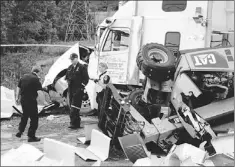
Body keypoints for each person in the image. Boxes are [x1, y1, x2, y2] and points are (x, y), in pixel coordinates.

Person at [15, 65, 44, 142]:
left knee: (25, 115)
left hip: (23, 100)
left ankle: (20, 131)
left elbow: (18, 88)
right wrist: (44, 102)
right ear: (38, 72)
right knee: (34, 119)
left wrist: (17, 97)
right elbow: (40, 92)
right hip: (31, 101)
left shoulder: (23, 77)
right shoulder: (36, 79)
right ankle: (31, 136)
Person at [65, 53, 89, 129]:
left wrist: (81, 87)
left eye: (72, 59)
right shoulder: (69, 67)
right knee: (72, 107)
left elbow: (86, 79)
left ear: (76, 58)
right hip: (71, 90)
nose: (71, 61)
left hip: (78, 90)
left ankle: (73, 123)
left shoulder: (82, 67)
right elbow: (67, 77)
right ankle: (76, 123)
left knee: (74, 107)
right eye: (71, 59)